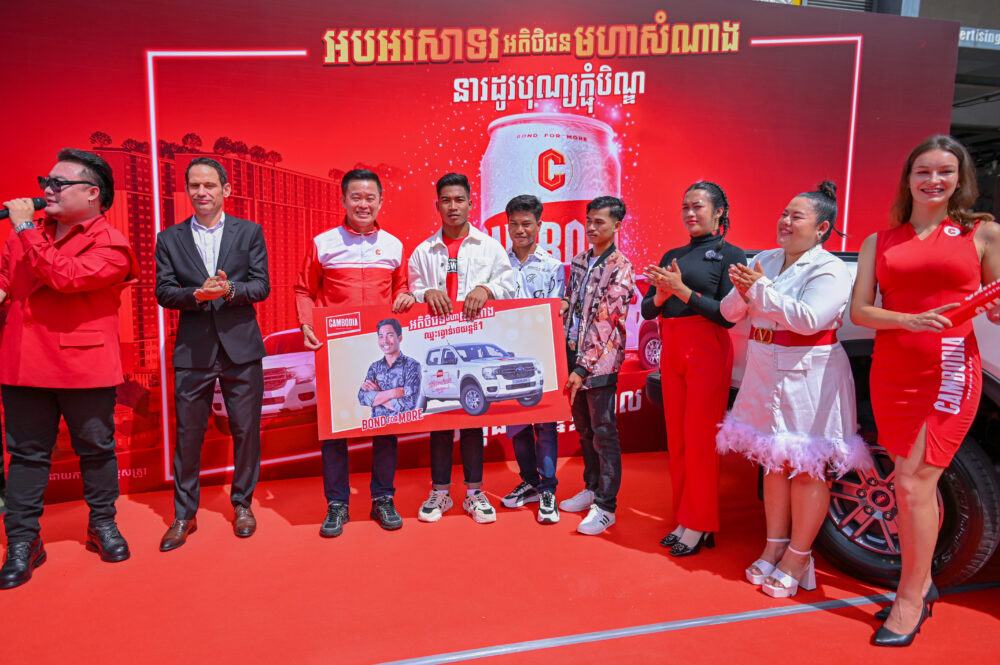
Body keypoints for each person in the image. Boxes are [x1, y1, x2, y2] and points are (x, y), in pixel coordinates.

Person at [850, 135, 1000, 646]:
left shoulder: (982, 233)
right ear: (908, 179)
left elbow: (995, 303)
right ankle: (922, 582)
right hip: (892, 372)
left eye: (945, 172)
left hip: (951, 370)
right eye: (924, 171)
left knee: (914, 484)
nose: (934, 180)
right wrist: (908, 320)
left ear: (960, 180)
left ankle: (910, 597)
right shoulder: (880, 242)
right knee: (910, 484)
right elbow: (860, 311)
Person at [716, 181, 869, 597]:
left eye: (795, 216)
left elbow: (808, 320)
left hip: (810, 374)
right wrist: (743, 291)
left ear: (821, 228)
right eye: (784, 213)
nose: (784, 221)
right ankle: (774, 546)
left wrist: (759, 290)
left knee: (806, 467)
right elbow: (730, 312)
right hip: (764, 370)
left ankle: (800, 556)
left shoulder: (829, 269)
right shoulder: (764, 259)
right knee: (774, 464)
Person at [0, 148, 139, 588]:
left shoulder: (111, 244)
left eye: (59, 183)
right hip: (24, 363)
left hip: (83, 365)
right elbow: (7, 280)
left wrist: (25, 229)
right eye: (46, 182)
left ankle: (103, 524)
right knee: (26, 455)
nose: (48, 190)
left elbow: (66, 277)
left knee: (96, 449)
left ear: (93, 193)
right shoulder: (22, 237)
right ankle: (22, 541)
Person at [154, 157, 270, 551]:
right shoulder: (169, 238)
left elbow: (261, 286)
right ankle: (184, 515)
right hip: (193, 351)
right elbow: (164, 292)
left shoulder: (249, 232)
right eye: (194, 186)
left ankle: (243, 504)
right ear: (187, 190)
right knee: (188, 436)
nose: (201, 192)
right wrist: (197, 295)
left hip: (241, 348)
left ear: (226, 190)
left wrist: (229, 290)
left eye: (209, 185)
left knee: (246, 431)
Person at [295, 169, 412, 537]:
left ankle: (382, 498)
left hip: (381, 353)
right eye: (356, 197)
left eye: (370, 198)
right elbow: (303, 290)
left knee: (385, 425)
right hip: (336, 352)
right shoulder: (324, 243)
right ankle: (337, 504)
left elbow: (402, 288)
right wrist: (306, 324)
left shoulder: (393, 246)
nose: (363, 204)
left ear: (380, 202)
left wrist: (405, 297)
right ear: (343, 200)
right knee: (334, 431)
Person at [641, 181, 746, 556]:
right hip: (672, 349)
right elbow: (647, 310)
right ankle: (686, 517)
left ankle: (701, 523)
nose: (689, 213)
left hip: (707, 349)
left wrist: (682, 290)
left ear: (718, 212)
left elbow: (728, 316)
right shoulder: (673, 254)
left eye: (697, 206)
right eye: (685, 206)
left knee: (701, 441)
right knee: (679, 440)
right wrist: (661, 295)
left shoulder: (732, 255)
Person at [408, 173, 515, 524]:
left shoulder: (490, 247)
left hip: (473, 344)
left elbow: (509, 286)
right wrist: (425, 293)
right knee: (440, 421)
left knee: (472, 420)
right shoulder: (423, 252)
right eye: (446, 200)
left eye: (459, 200)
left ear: (470, 202)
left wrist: (487, 289)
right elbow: (411, 292)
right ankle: (440, 492)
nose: (452, 206)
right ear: (437, 205)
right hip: (438, 345)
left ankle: (474, 493)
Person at [559, 196, 635, 535]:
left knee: (604, 432)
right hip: (572, 356)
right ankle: (591, 488)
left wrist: (582, 368)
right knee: (584, 429)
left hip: (599, 364)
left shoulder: (622, 267)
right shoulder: (579, 260)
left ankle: (606, 505)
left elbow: (607, 321)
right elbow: (572, 300)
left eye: (599, 222)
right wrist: (563, 306)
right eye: (589, 220)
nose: (591, 227)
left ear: (616, 226)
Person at [498, 195, 565, 524]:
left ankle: (548, 488)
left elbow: (556, 313)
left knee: (545, 424)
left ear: (539, 225)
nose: (520, 230)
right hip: (507, 357)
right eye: (514, 224)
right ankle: (530, 481)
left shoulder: (553, 266)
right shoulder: (498, 265)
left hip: (543, 356)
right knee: (517, 425)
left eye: (527, 224)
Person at [358, 318, 421, 419]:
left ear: (400, 338)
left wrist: (377, 395)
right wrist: (393, 393)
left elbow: (408, 406)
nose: (385, 341)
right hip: (378, 426)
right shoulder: (374, 367)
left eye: (390, 335)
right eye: (381, 336)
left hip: (402, 424)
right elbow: (362, 398)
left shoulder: (412, 365)